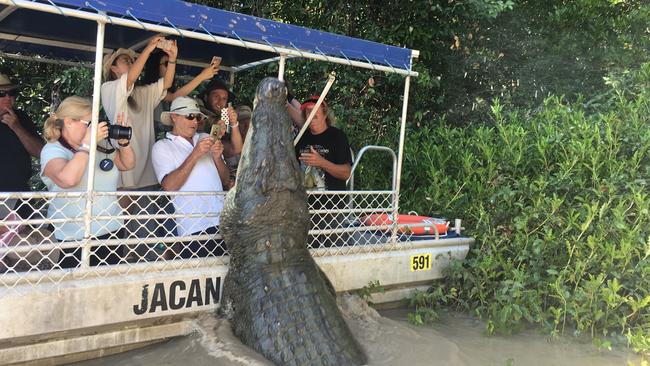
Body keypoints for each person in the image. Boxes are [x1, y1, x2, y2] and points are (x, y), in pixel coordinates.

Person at [101, 36, 177, 260]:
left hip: (147, 175)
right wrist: (150, 46)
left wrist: (172, 59)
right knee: (118, 236)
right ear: (113, 68)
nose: (132, 62)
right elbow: (131, 76)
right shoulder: (109, 88)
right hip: (125, 172)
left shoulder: (141, 93)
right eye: (125, 60)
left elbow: (167, 85)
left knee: (145, 239)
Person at [40, 96, 135, 267]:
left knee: (107, 286)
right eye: (89, 123)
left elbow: (127, 164)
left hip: (112, 231)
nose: (94, 128)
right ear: (69, 122)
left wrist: (123, 142)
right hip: (74, 237)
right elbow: (67, 179)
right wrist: (86, 145)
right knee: (77, 290)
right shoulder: (52, 150)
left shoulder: (97, 146)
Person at [151, 97, 229, 258]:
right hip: (194, 226)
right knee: (200, 278)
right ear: (174, 117)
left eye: (198, 117)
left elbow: (225, 180)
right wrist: (195, 155)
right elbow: (169, 186)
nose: (194, 121)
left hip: (223, 221)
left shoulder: (205, 137)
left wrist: (216, 157)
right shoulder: (162, 147)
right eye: (189, 116)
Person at [294, 96, 353, 247]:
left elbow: (346, 172)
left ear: (325, 113)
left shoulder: (337, 137)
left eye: (314, 110)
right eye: (307, 111)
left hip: (332, 208)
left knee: (334, 253)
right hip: (305, 208)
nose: (311, 115)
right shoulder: (301, 138)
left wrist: (321, 162)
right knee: (305, 252)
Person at [141, 49, 220, 138]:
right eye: (167, 63)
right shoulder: (146, 91)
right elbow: (174, 97)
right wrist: (201, 77)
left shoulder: (169, 93)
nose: (171, 67)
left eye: (173, 64)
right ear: (154, 67)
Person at [0, 73, 44, 219]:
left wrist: (16, 127)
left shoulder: (21, 118)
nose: (8, 97)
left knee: (25, 238)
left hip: (19, 194)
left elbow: (40, 152)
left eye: (12, 93)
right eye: (2, 93)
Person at [198, 78, 243, 189]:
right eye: (216, 96)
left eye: (224, 98)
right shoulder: (198, 114)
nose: (220, 101)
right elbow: (210, 141)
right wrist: (218, 126)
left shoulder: (222, 117)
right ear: (206, 97)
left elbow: (236, 149)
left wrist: (234, 123)